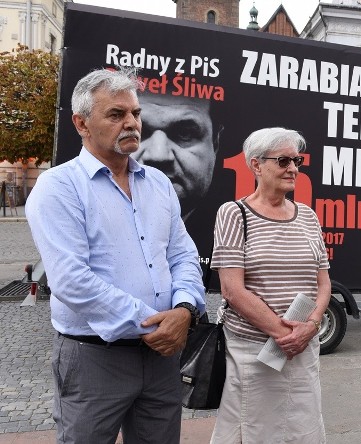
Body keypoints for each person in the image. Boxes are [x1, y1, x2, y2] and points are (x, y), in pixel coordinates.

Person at [25, 68, 206, 443]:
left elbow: (183, 254)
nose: (131, 124)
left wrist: (185, 309)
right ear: (81, 123)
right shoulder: (58, 187)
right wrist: (156, 325)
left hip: (160, 360)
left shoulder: (157, 184)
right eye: (116, 114)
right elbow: (71, 281)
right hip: (95, 359)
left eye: (135, 113)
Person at [209, 127, 331, 443]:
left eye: (297, 160)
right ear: (256, 165)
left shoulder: (308, 216)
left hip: (303, 347)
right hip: (255, 351)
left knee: (302, 429)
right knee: (253, 430)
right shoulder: (234, 214)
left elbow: (323, 281)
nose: (293, 168)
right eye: (283, 161)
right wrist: (283, 335)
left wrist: (311, 326)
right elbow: (232, 290)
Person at [133, 92, 221, 280]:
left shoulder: (225, 234)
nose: (158, 155)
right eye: (138, 131)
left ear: (215, 145)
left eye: (185, 133)